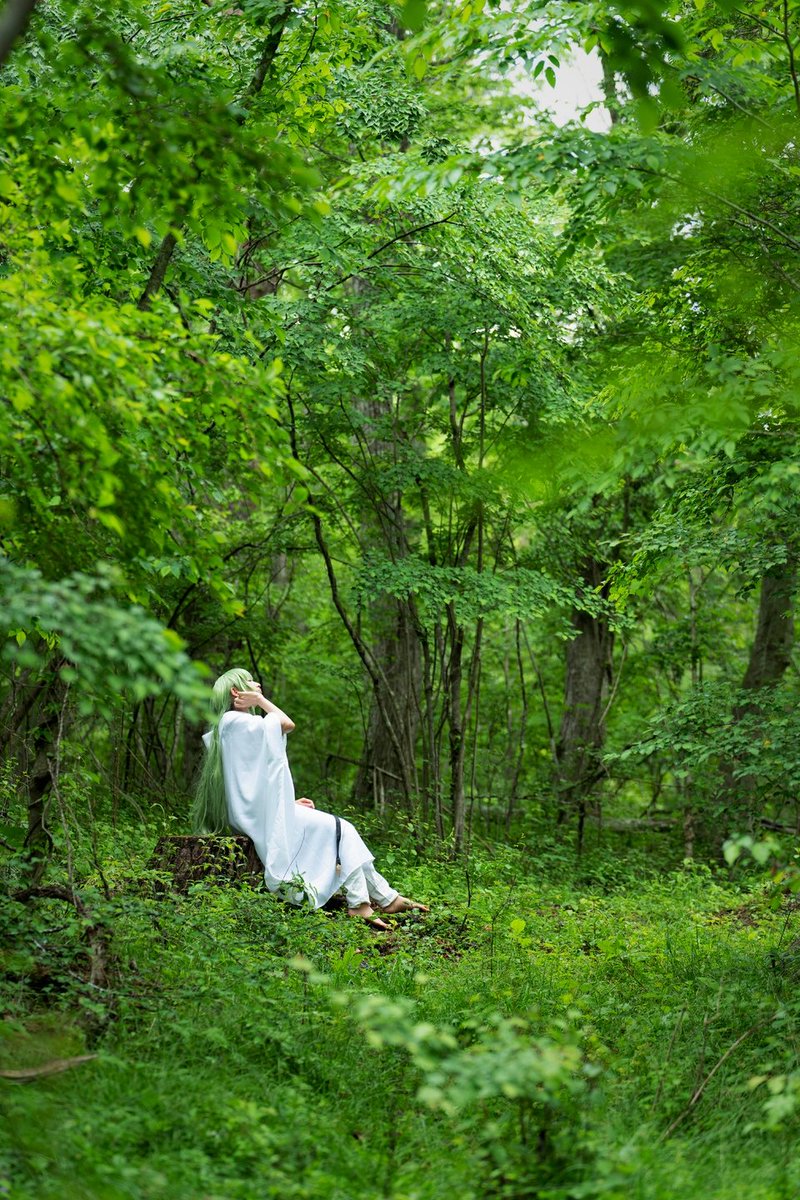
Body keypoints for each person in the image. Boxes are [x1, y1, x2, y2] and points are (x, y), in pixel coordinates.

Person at [193, 667, 428, 930]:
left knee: (341, 831)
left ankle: (386, 898)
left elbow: (250, 782)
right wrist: (261, 701)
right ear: (237, 692)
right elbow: (286, 724)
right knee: (343, 829)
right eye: (250, 682)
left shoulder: (230, 726)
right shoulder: (237, 722)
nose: (257, 685)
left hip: (257, 816)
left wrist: (286, 804)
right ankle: (361, 905)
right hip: (259, 822)